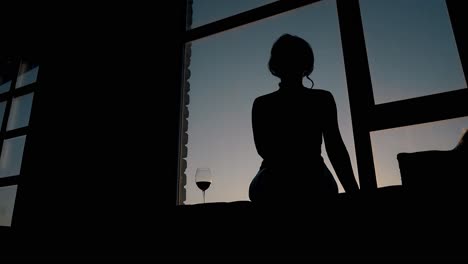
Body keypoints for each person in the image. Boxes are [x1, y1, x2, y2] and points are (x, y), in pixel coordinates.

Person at [249, 34, 359, 204]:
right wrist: (354, 192)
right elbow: (335, 147)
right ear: (307, 63)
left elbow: (264, 150)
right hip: (315, 179)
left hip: (272, 182)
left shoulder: (262, 104)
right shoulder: (322, 99)